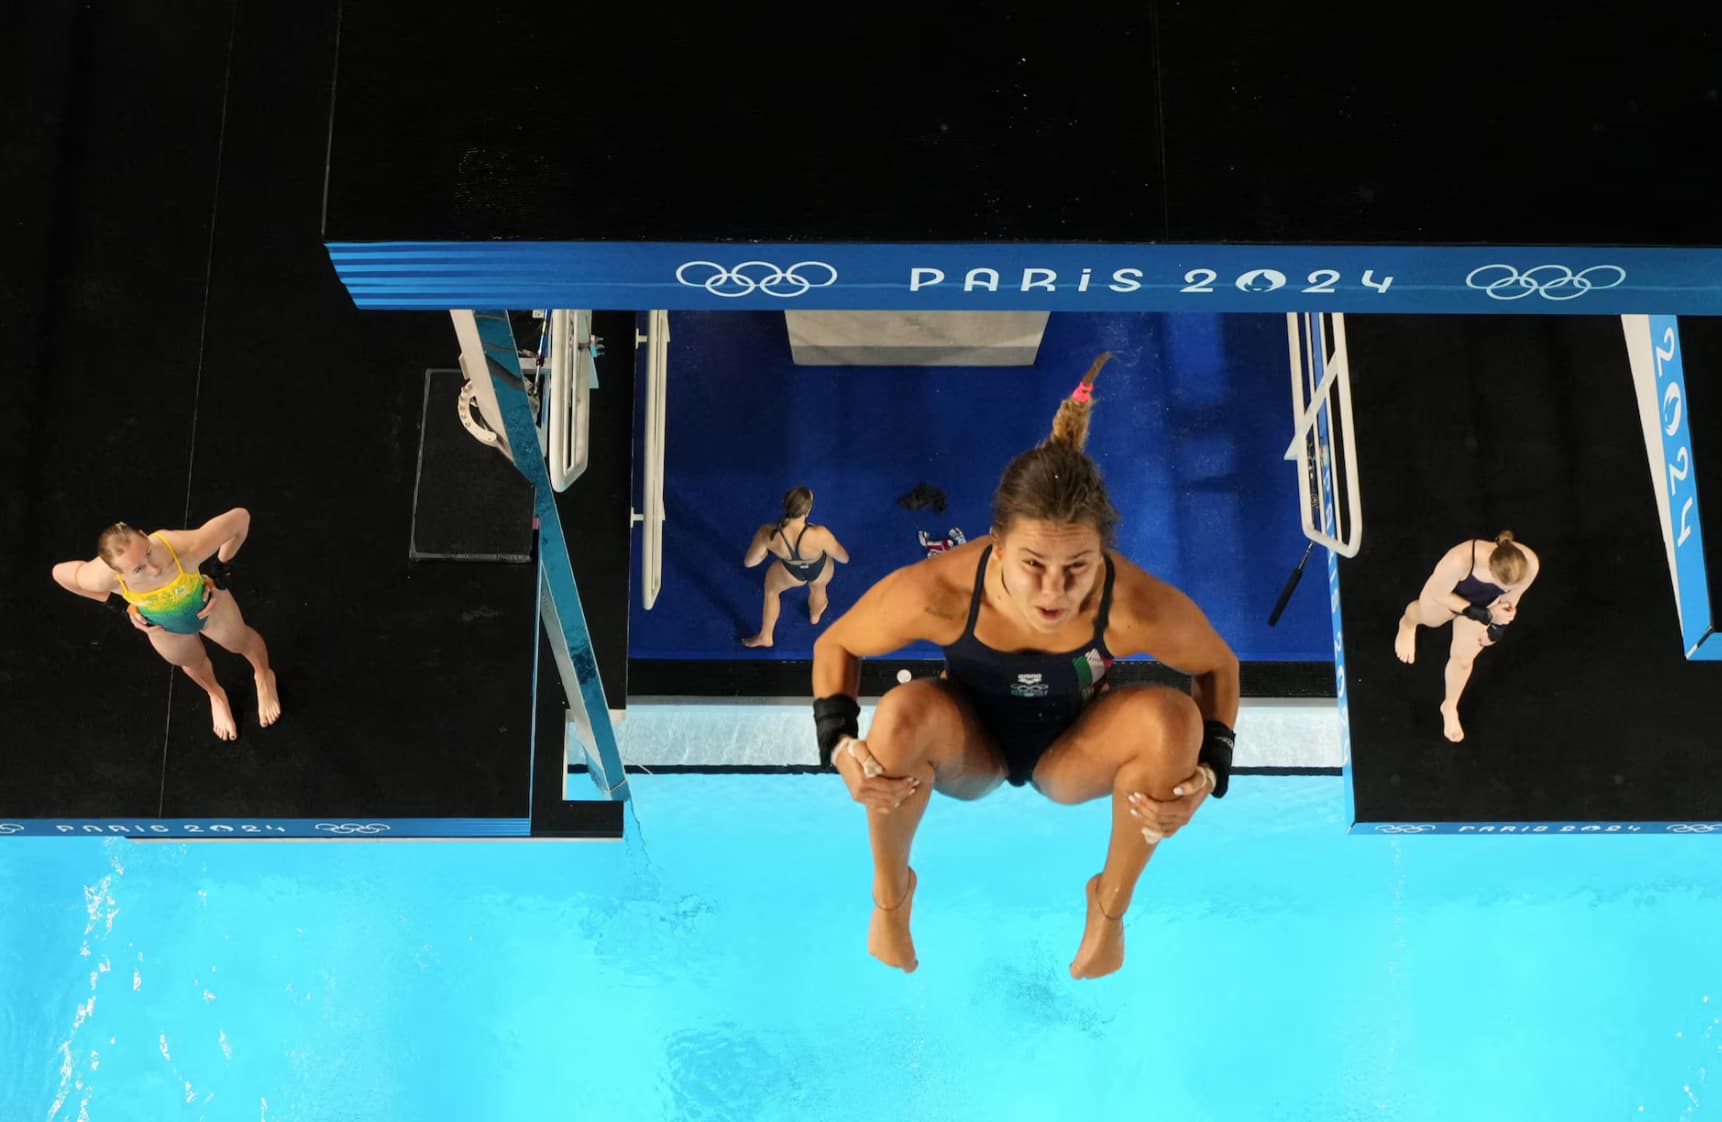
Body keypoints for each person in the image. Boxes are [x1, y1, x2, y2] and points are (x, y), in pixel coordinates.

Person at [809, 353, 1240, 980]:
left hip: (1076, 748)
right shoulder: (940, 590)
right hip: (970, 745)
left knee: (1175, 721)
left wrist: (1209, 773)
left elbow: (1219, 666)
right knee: (897, 717)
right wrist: (840, 746)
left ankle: (1110, 907)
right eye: (1033, 564)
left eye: (1078, 567)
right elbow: (836, 646)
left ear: (1103, 552)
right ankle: (891, 895)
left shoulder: (1134, 607)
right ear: (996, 544)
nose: (1053, 593)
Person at [50, 508, 281, 741]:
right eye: (139, 568)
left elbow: (241, 518)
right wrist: (118, 605)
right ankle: (216, 695)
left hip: (207, 606)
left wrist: (219, 573)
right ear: (116, 573)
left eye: (148, 552)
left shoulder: (185, 547)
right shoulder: (99, 577)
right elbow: (60, 574)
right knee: (191, 662)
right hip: (165, 628)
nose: (155, 568)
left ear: (144, 534)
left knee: (240, 641)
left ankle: (263, 675)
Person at [1393, 530, 1540, 742]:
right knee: (1427, 618)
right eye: (1501, 586)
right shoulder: (1459, 560)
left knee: (1463, 660)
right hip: (1448, 597)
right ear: (1491, 568)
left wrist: (1496, 629)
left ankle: (1450, 706)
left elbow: (1511, 600)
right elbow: (1438, 593)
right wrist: (1485, 614)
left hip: (1486, 605)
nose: (1506, 590)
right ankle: (1406, 624)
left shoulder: (1529, 565)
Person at [741, 487, 850, 647]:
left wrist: (767, 552)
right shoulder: (820, 534)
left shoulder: (768, 533)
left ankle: (766, 636)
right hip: (819, 569)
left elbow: (750, 562)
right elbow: (843, 558)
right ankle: (815, 616)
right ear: (808, 511)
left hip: (790, 573)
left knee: (771, 592)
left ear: (784, 505)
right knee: (819, 588)